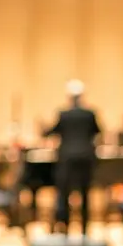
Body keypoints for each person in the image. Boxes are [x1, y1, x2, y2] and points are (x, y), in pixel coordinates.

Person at [44, 80, 101, 233]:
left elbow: (51, 132)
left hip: (67, 158)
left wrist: (42, 128)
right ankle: (84, 229)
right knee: (85, 193)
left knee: (64, 193)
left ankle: (65, 227)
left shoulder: (64, 114)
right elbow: (98, 132)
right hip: (85, 157)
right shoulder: (90, 114)